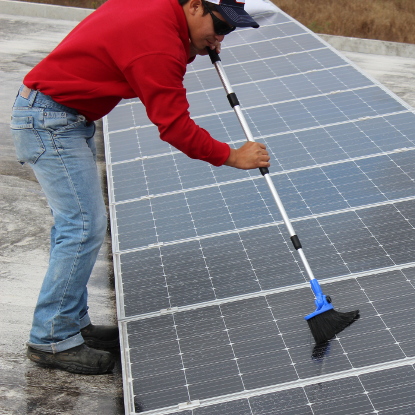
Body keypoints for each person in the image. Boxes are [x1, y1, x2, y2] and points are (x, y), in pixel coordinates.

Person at [10, 0, 270, 374]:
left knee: (75, 226)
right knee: (82, 227)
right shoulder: (158, 42)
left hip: (58, 114)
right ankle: (51, 338)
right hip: (50, 121)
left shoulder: (160, 14)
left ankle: (71, 322)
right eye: (221, 26)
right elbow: (175, 127)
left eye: (228, 31)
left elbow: (150, 55)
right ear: (195, 5)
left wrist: (194, 45)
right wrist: (232, 156)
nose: (220, 37)